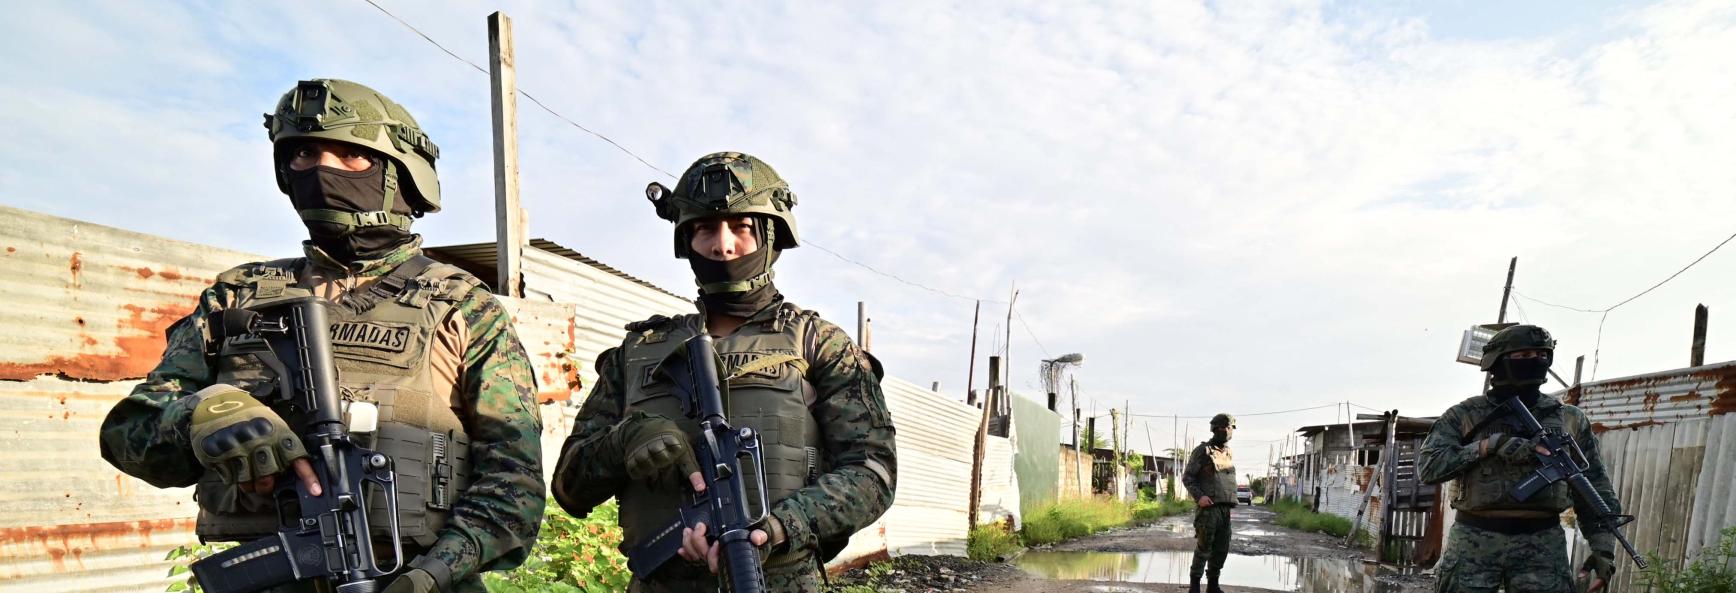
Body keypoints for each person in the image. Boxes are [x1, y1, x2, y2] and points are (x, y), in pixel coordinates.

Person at [98, 79, 545, 593]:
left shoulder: (461, 303)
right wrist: (195, 417)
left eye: (350, 155)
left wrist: (432, 573)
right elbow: (126, 435)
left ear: (400, 174)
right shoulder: (236, 298)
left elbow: (515, 480)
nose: (321, 170)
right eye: (304, 154)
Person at [551, 152, 897, 592]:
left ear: (771, 235)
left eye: (742, 228)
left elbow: (873, 471)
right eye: (704, 229)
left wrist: (776, 528)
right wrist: (626, 441)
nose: (723, 245)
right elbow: (569, 485)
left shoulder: (819, 344)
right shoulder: (637, 352)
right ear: (685, 239)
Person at [1419, 324, 1623, 593]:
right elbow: (1429, 467)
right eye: (1523, 355)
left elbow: (1594, 486)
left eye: (1541, 355)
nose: (1534, 362)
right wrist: (1486, 447)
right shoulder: (1466, 415)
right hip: (1474, 542)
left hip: (1542, 543)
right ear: (1498, 361)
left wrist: (1603, 549)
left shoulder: (1568, 418)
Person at [1182, 413, 1237, 593]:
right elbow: (1188, 477)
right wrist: (1199, 497)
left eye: (1230, 428)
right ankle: (1195, 587)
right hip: (1208, 510)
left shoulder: (1228, 452)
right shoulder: (1203, 451)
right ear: (1215, 429)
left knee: (1221, 549)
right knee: (1204, 548)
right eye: (1223, 427)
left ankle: (1213, 586)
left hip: (1224, 509)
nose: (1227, 431)